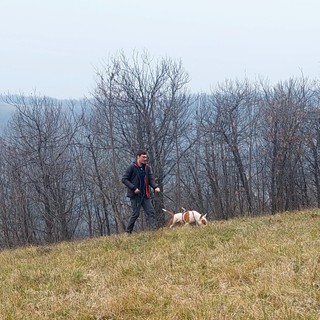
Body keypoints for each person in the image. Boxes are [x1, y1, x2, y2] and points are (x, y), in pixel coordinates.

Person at [122, 150, 160, 233]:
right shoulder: (132, 167)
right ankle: (128, 231)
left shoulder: (147, 168)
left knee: (151, 212)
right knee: (135, 214)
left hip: (145, 194)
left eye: (146, 157)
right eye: (143, 157)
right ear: (138, 157)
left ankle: (154, 230)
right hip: (135, 195)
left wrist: (155, 187)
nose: (145, 159)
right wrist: (134, 188)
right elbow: (124, 179)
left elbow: (151, 179)